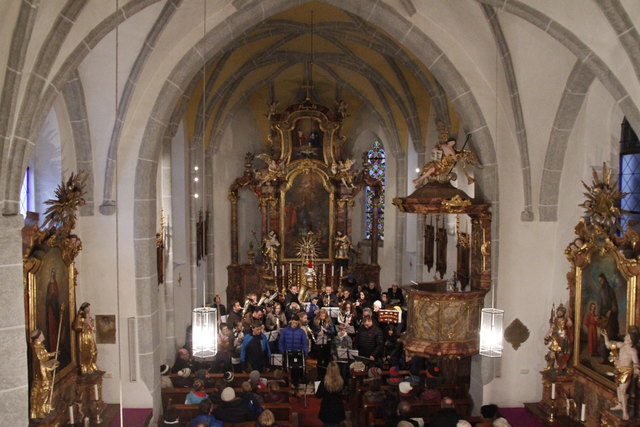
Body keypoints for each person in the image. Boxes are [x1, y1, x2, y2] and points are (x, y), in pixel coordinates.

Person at [601, 326, 640, 420]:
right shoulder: (622, 345)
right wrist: (605, 336)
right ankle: (620, 404)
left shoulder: (633, 351)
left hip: (626, 372)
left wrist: (636, 371)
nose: (625, 337)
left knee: (623, 391)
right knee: (618, 389)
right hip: (618, 370)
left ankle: (625, 412)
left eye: (627, 337)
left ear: (631, 340)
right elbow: (608, 345)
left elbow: (636, 363)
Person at [29, 329, 59, 419]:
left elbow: (43, 355)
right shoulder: (36, 348)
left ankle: (45, 407)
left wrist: (51, 354)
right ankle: (39, 411)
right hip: (42, 373)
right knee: (43, 391)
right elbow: (39, 363)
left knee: (47, 389)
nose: (43, 334)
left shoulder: (39, 346)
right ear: (38, 337)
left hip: (45, 371)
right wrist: (50, 368)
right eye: (41, 334)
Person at [316, 361, 346, 427]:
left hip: (327, 410)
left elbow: (318, 395)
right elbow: (344, 396)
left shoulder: (324, 382)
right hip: (338, 410)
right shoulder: (341, 382)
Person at [544, 304, 572, 372]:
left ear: (563, 313)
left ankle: (560, 367)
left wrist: (569, 319)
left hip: (563, 338)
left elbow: (570, 325)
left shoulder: (565, 320)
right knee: (552, 353)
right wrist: (547, 335)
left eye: (561, 312)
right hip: (555, 338)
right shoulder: (555, 320)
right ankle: (550, 366)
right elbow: (552, 328)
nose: (559, 313)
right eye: (558, 311)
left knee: (561, 354)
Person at [75, 302, 98, 375]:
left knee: (94, 350)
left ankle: (91, 365)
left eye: (89, 308)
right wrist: (85, 323)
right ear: (83, 309)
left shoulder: (89, 317)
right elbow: (77, 327)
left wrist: (91, 324)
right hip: (84, 336)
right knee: (86, 351)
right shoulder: (80, 317)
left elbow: (93, 328)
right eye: (87, 308)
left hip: (89, 335)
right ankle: (86, 367)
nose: (89, 309)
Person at [313, 308, 336, 380]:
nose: (322, 317)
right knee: (319, 359)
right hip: (319, 342)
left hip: (327, 341)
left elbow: (333, 332)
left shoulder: (329, 321)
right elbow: (313, 331)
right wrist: (318, 333)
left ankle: (327, 375)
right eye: (321, 316)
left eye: (323, 316)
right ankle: (319, 375)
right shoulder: (316, 321)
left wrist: (326, 331)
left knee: (327, 359)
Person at [598, 274, 619, 342]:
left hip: (610, 315)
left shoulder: (610, 290)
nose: (600, 282)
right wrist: (599, 315)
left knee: (610, 333)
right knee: (603, 334)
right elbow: (600, 304)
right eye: (599, 281)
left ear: (604, 279)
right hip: (603, 315)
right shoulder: (601, 291)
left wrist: (610, 310)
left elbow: (613, 302)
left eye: (601, 280)